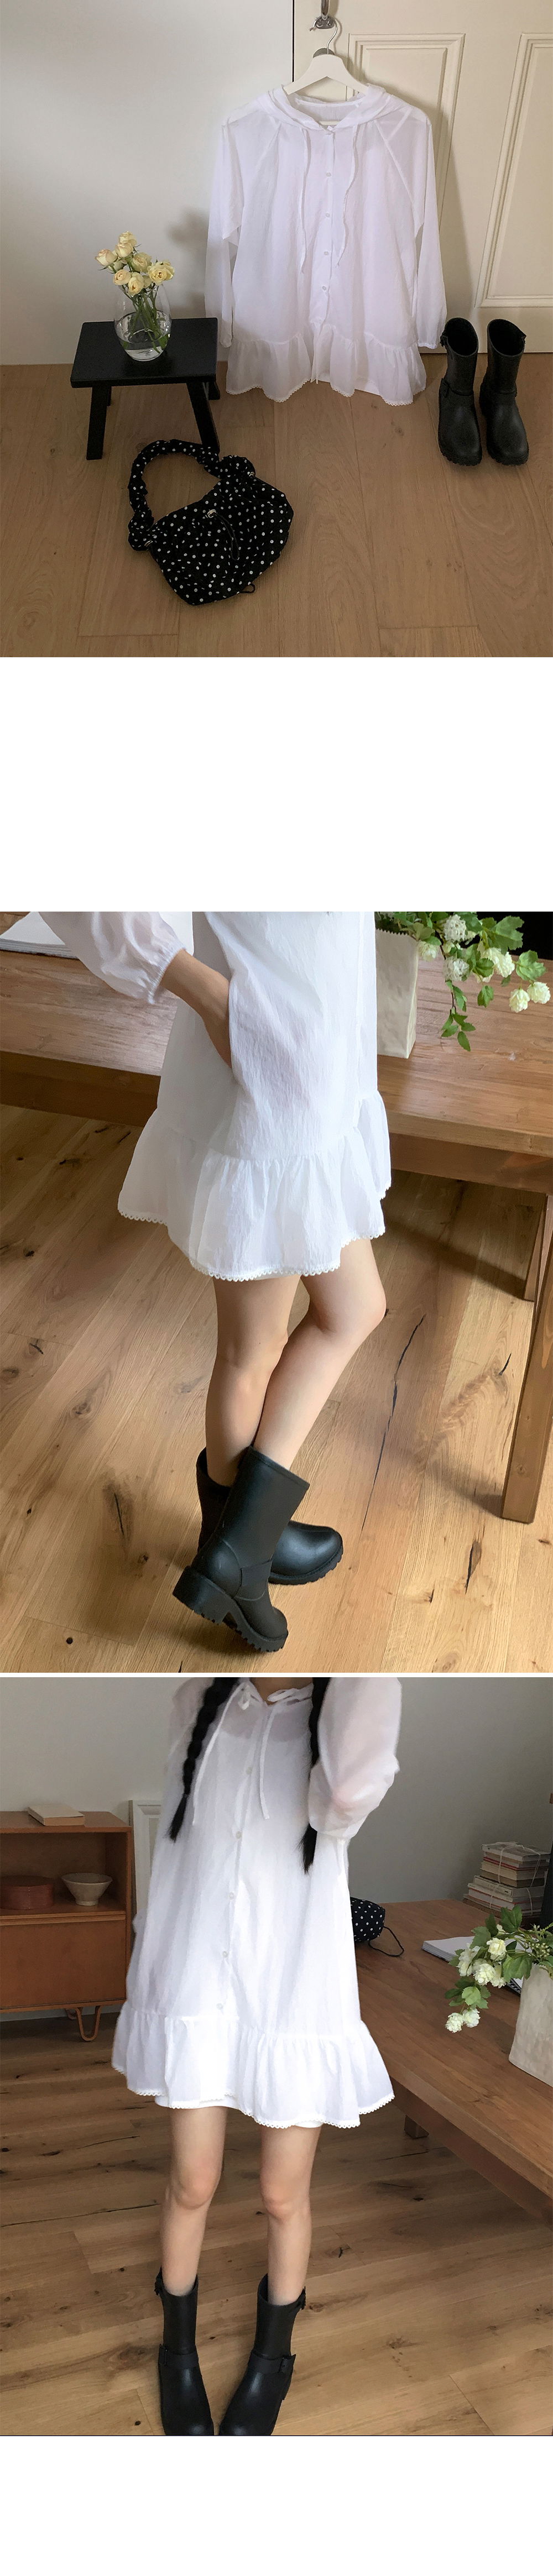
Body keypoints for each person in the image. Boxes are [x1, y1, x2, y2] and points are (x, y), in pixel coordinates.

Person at [44, 912, 390, 1649]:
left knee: (344, 1311)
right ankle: (239, 1553)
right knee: (261, 1344)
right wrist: (209, 995)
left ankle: (240, 1541)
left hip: (311, 1057)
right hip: (269, 1064)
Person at [112, 1668, 401, 2436]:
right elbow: (179, 1855)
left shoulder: (342, 1709)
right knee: (193, 2180)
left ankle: (274, 2357)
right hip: (199, 1988)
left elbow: (346, 1797)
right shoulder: (201, 1700)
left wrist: (361, 1666)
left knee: (281, 2194)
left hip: (292, 1993)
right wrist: (154, 1975)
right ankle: (177, 2350)